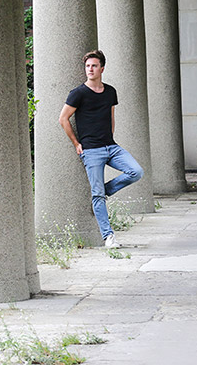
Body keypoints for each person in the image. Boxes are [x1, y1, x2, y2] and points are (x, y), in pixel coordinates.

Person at [59, 50, 144, 248]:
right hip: (91, 151)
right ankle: (108, 237)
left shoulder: (110, 91)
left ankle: (103, 192)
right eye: (88, 66)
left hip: (111, 147)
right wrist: (76, 144)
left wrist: (110, 138)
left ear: (102, 69)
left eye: (94, 65)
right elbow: (63, 119)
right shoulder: (78, 93)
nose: (90, 69)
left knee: (136, 171)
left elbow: (111, 116)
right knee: (96, 195)